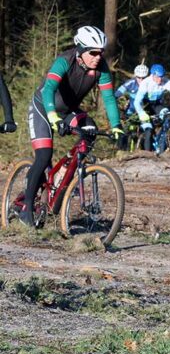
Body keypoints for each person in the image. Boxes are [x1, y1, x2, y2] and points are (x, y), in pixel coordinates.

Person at [21, 26, 123, 226]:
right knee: (43, 156)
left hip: (68, 111)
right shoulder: (64, 61)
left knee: (90, 130)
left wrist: (116, 125)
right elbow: (49, 89)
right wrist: (53, 117)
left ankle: (63, 176)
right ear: (80, 50)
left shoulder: (100, 68)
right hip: (44, 107)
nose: (97, 57)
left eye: (101, 52)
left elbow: (109, 98)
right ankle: (26, 209)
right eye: (93, 52)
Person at [133, 64, 170, 151]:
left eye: (161, 77)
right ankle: (147, 155)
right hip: (145, 106)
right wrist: (141, 112)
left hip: (157, 105)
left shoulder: (166, 81)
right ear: (152, 75)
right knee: (148, 130)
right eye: (157, 77)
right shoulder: (146, 83)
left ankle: (162, 143)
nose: (160, 80)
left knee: (167, 116)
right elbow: (137, 101)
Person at [114, 64, 149, 148]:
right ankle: (121, 149)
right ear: (135, 76)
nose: (141, 80)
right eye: (139, 77)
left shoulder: (150, 84)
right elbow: (117, 93)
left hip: (145, 110)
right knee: (125, 131)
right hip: (131, 111)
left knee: (147, 130)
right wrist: (117, 102)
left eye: (143, 78)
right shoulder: (130, 83)